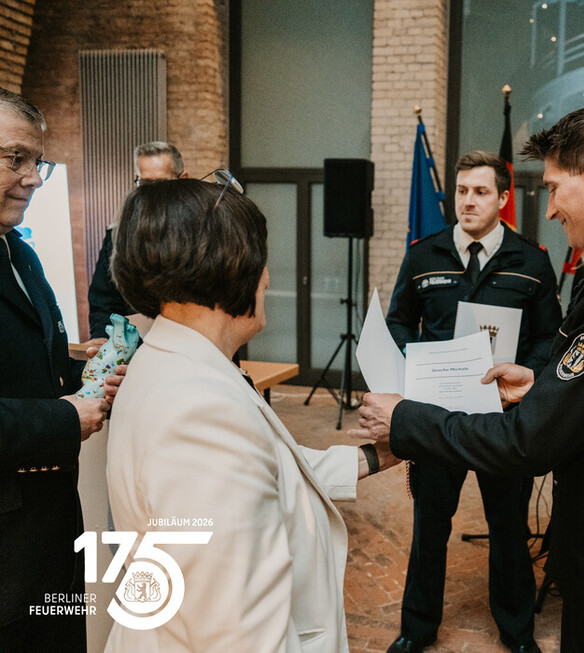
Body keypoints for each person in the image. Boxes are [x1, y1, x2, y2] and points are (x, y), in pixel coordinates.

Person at [355, 105, 584, 653]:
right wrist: (543, 383)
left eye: (553, 188)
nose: (548, 210)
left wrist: (403, 418)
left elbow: (530, 440)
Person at [104, 178, 397, 652]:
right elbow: (238, 634)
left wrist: (380, 453)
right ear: (230, 266)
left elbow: (271, 468)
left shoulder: (180, 361)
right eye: (260, 258)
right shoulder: (198, 412)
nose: (266, 278)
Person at [384, 150, 561, 653]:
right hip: (436, 416)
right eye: (461, 191)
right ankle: (416, 629)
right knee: (429, 526)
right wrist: (412, 361)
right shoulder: (424, 254)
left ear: (504, 198)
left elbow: (549, 336)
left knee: (508, 526)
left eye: (481, 191)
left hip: (503, 419)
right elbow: (400, 320)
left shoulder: (532, 261)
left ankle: (517, 629)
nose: (467, 201)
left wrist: (526, 377)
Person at [0, 88, 119, 652]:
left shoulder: (20, 253)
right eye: (15, 159)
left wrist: (84, 373)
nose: (34, 178)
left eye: (36, 162)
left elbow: (36, 369)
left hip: (53, 535)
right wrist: (62, 419)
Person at [87, 141, 188, 340]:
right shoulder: (118, 236)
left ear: (183, 179)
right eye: (145, 185)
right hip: (135, 350)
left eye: (161, 184)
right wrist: (102, 341)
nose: (152, 194)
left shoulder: (205, 231)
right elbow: (103, 302)